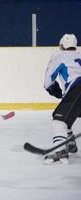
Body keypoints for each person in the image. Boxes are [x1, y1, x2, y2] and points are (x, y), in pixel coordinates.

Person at [43, 33, 80, 164]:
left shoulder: (59, 55)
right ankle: (70, 144)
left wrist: (56, 92)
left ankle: (60, 151)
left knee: (59, 120)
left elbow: (48, 82)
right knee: (66, 117)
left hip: (77, 90)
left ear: (61, 45)